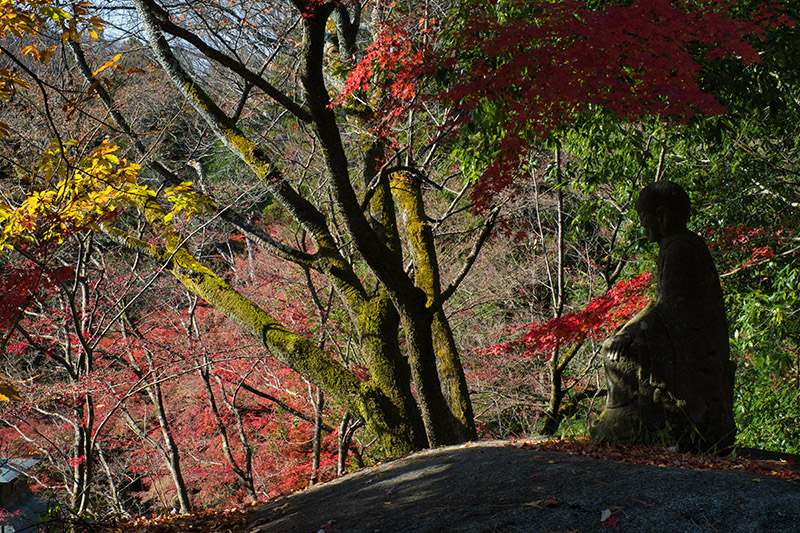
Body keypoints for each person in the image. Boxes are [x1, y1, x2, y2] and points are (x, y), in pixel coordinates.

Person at [590, 181, 736, 452]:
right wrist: (630, 326)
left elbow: (671, 309)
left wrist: (631, 333)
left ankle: (627, 425)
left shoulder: (679, 249)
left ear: (660, 214)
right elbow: (660, 303)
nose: (642, 224)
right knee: (618, 342)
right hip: (686, 338)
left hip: (694, 347)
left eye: (642, 216)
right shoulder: (679, 245)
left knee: (617, 354)